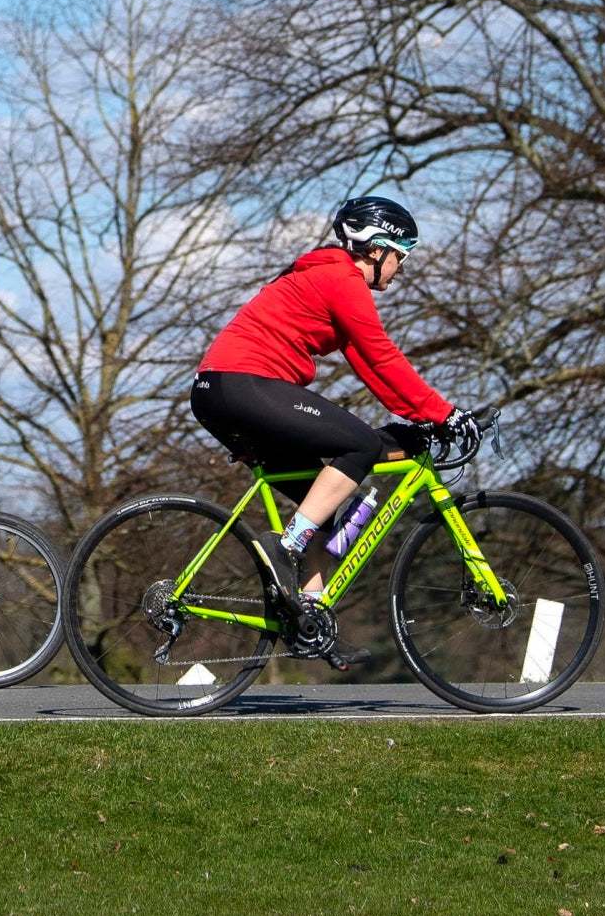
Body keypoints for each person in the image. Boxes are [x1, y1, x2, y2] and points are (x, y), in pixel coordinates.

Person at [190, 197, 472, 663]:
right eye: (401, 255)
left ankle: (309, 621)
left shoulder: (328, 279)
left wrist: (422, 415)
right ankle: (285, 545)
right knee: (359, 444)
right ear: (377, 249)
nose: (401, 267)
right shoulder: (340, 278)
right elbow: (382, 355)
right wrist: (445, 414)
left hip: (224, 391)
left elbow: (370, 367)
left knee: (323, 508)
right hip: (242, 384)